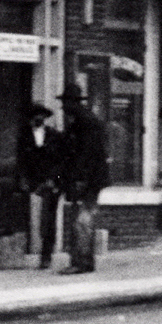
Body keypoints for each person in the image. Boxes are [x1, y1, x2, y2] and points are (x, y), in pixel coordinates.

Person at [57, 84, 111, 274]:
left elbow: (86, 153)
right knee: (82, 219)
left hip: (88, 179)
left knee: (82, 220)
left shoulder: (84, 123)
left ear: (72, 103)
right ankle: (82, 261)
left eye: (64, 102)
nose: (62, 107)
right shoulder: (83, 120)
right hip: (90, 178)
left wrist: (80, 178)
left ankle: (81, 262)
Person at [19, 98, 63, 269]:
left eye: (41, 116)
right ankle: (24, 251)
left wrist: (53, 180)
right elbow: (21, 160)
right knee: (29, 215)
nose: (38, 119)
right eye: (35, 116)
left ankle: (46, 255)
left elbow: (60, 160)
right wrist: (23, 179)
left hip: (50, 182)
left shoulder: (54, 136)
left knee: (48, 219)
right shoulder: (24, 136)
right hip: (32, 182)